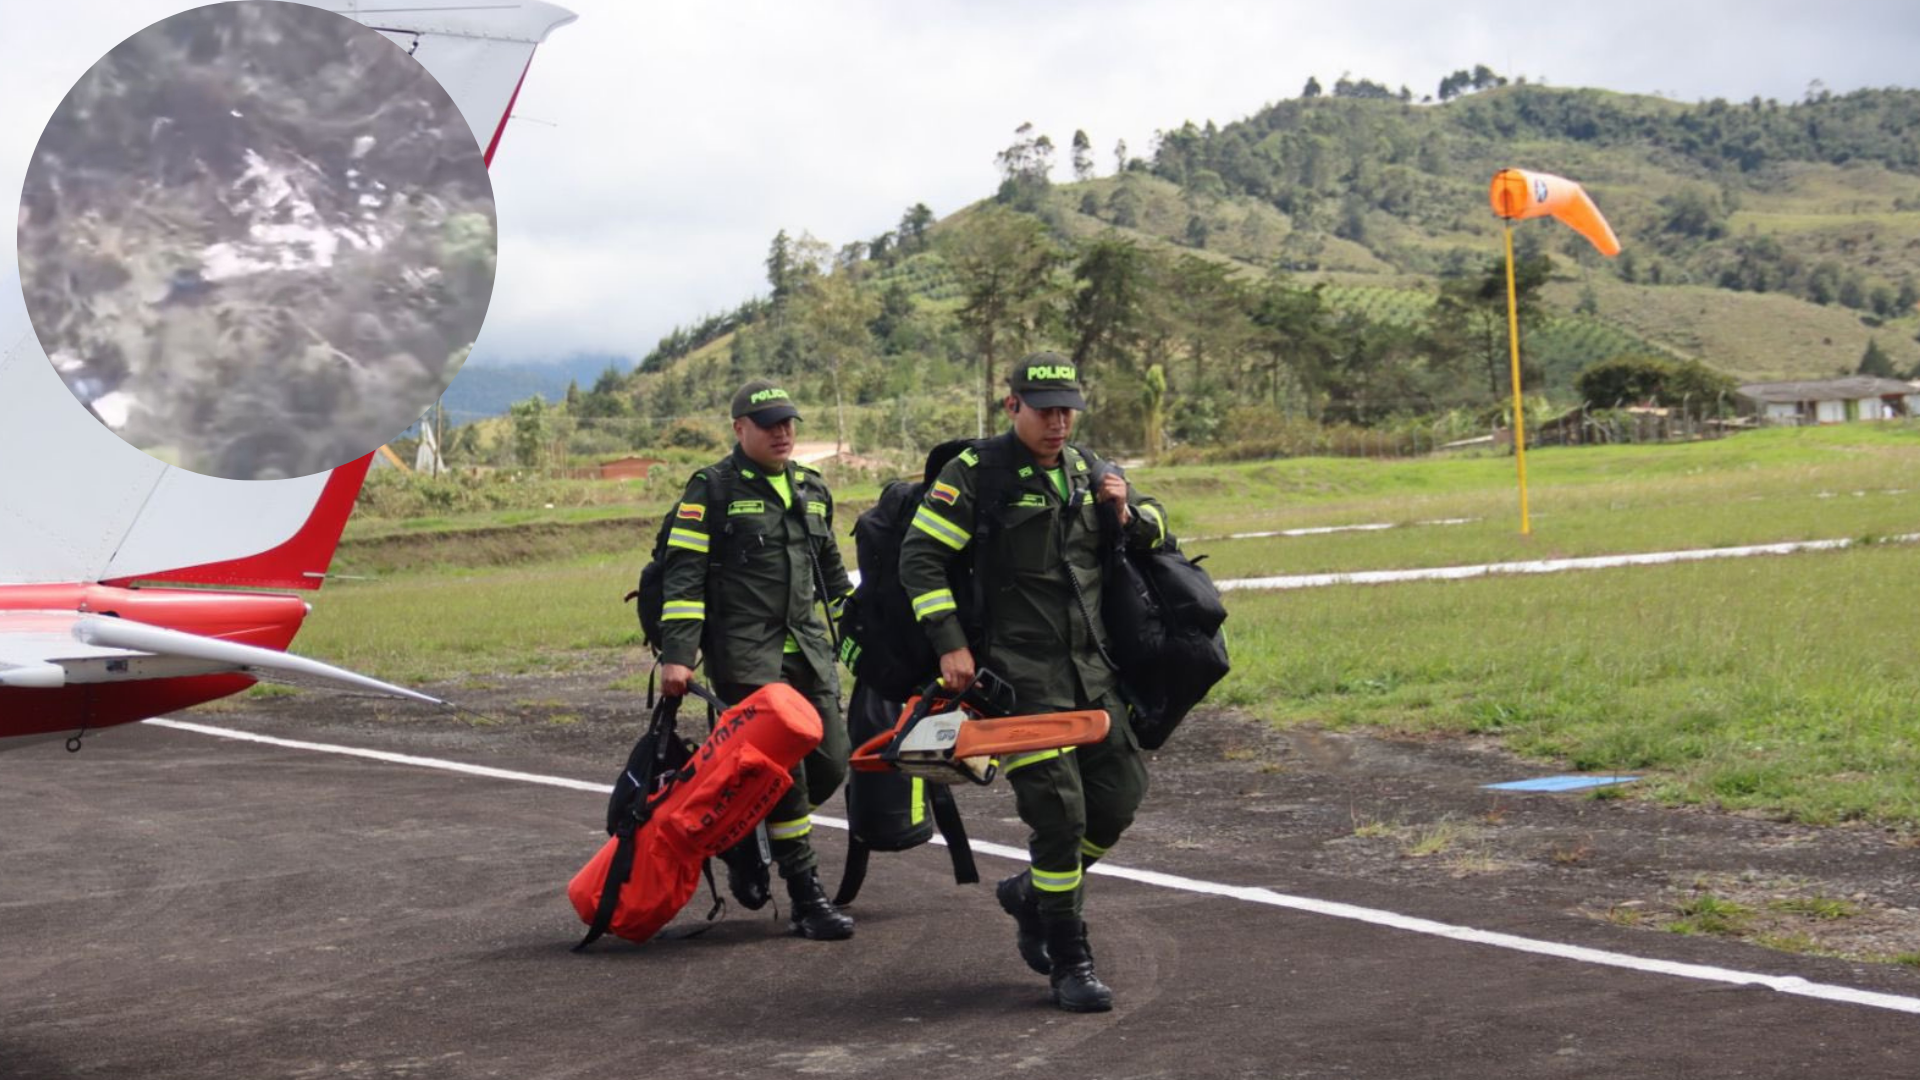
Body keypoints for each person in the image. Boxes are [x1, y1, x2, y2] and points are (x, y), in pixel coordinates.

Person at [898, 353, 1169, 1012]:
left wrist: (1128, 513)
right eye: (1044, 408)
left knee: (1120, 795)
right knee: (1059, 814)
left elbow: (1161, 536)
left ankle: (1029, 894)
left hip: (1093, 671)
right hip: (1019, 678)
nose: (1057, 421)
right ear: (1011, 405)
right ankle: (1069, 959)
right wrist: (950, 643)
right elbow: (920, 557)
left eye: (1066, 408)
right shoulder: (977, 474)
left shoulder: (1090, 470)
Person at [656, 379, 856, 940]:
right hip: (747, 658)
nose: (782, 432)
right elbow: (684, 577)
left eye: (788, 421)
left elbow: (835, 580)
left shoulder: (813, 490)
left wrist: (864, 635)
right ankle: (806, 896)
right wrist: (679, 655)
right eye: (768, 423)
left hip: (810, 653)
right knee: (783, 775)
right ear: (739, 428)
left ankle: (745, 832)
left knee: (832, 761)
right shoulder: (711, 490)